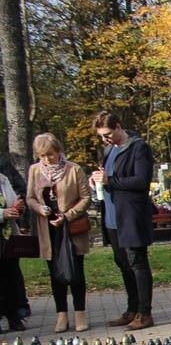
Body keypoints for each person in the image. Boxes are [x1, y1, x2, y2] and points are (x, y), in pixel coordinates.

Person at [92, 111, 156, 330]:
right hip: (112, 217)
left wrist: (111, 180)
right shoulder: (109, 151)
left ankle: (145, 313)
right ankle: (132, 309)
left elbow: (141, 180)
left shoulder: (139, 148)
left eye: (108, 134)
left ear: (119, 126)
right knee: (123, 264)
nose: (105, 139)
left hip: (131, 216)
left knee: (137, 263)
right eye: (101, 136)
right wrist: (98, 181)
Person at [26, 133, 90, 333]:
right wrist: (39, 208)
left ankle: (80, 312)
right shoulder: (35, 170)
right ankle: (61, 314)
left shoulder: (74, 169)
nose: (47, 160)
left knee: (76, 271)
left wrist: (68, 215)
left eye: (50, 155)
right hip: (48, 228)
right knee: (55, 273)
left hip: (70, 227)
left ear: (58, 151)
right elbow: (29, 197)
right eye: (42, 156)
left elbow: (86, 198)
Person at [0, 170, 26, 332]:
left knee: (11, 277)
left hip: (8, 236)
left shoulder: (3, 179)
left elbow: (12, 202)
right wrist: (3, 213)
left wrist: (17, 208)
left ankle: (14, 316)